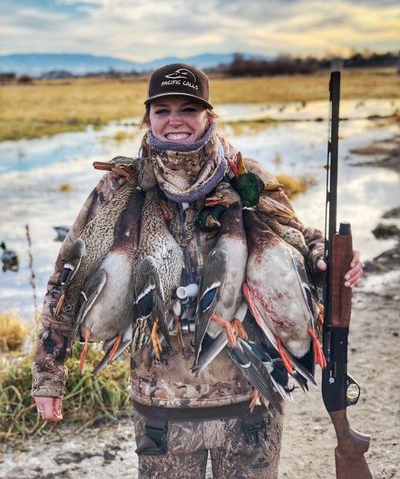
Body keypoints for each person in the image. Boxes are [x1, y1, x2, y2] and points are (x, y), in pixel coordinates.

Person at [32, 63, 363, 478]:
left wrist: (331, 259)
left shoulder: (246, 178)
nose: (175, 121)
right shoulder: (119, 189)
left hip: (250, 401)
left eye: (188, 109)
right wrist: (49, 376)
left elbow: (297, 238)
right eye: (163, 109)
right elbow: (68, 277)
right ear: (147, 117)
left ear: (209, 115)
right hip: (161, 407)